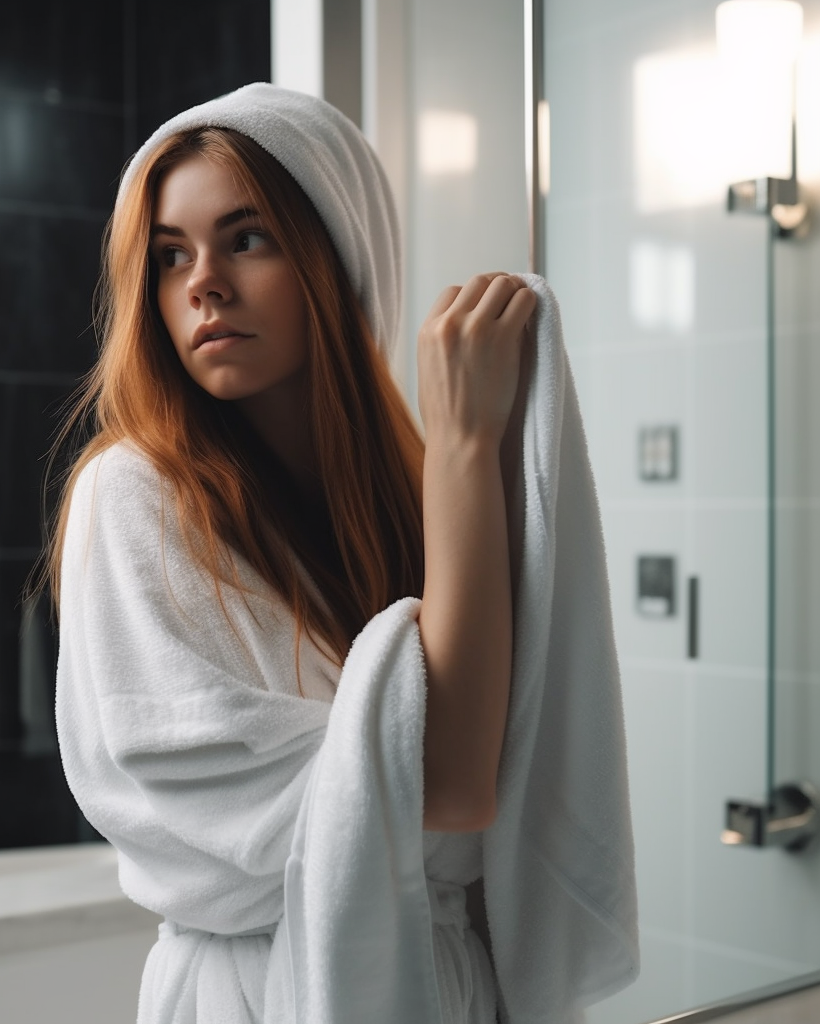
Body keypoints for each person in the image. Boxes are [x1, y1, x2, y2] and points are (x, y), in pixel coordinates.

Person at [50, 84, 632, 1024]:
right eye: (169, 255)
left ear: (336, 255)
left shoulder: (405, 492)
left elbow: (486, 791)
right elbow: (446, 779)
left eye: (247, 238)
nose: (202, 282)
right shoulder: (135, 495)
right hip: (255, 994)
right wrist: (468, 446)